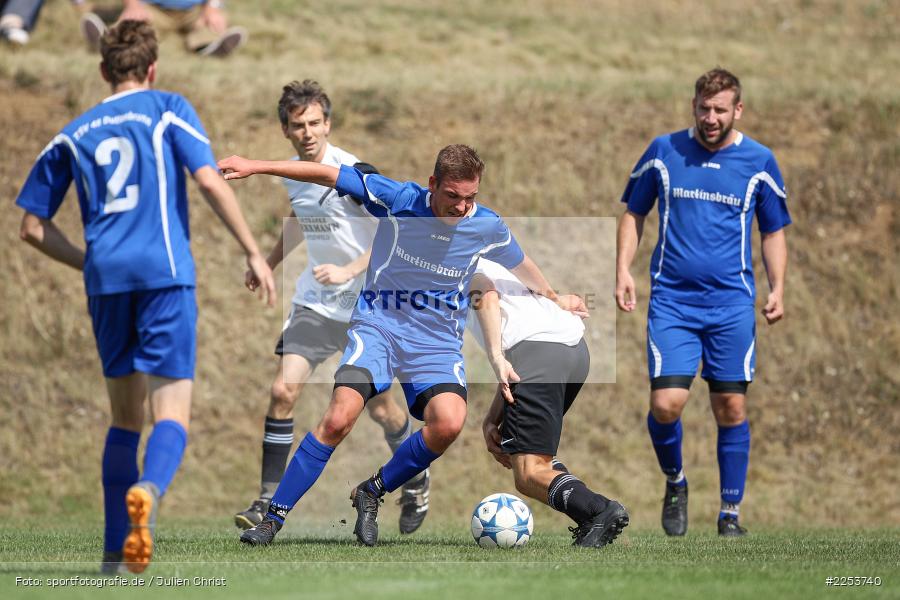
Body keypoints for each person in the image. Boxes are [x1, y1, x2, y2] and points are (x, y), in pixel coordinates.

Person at [218, 144, 587, 546]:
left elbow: (520, 262)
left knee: (448, 422)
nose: (463, 207)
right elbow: (329, 174)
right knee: (340, 417)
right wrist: (254, 166)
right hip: (379, 327)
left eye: (471, 198)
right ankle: (273, 519)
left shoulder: (486, 225)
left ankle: (371, 492)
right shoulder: (399, 199)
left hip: (436, 344)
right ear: (433, 185)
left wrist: (553, 297)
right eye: (453, 197)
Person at [14, 20, 275, 573]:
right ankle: (149, 493)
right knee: (170, 413)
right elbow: (207, 180)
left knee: (123, 419)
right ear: (152, 68)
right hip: (164, 273)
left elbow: (32, 228)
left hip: (107, 282)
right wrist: (253, 249)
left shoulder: (74, 133)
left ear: (104, 70)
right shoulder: (168, 107)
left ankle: (112, 556)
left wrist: (91, 262)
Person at [232, 80, 431, 535]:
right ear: (286, 129)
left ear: (329, 123)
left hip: (366, 308)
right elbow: (304, 221)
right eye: (298, 125)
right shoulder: (291, 173)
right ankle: (266, 499)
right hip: (315, 305)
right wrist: (268, 261)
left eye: (315, 123)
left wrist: (350, 269)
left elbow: (394, 231)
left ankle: (416, 476)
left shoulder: (354, 170)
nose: (307, 132)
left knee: (382, 411)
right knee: (284, 391)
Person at [616, 68, 790, 537]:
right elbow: (634, 212)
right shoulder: (664, 151)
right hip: (673, 302)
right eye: (703, 108)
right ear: (693, 106)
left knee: (730, 408)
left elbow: (772, 230)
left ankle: (730, 514)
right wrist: (623, 272)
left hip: (731, 305)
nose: (710, 117)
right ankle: (675, 482)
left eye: (720, 109)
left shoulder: (759, 161)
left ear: (738, 110)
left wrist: (777, 287)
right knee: (667, 404)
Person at [469, 258, 629, 548]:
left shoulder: (460, 261)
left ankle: (598, 510)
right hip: (574, 351)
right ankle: (588, 517)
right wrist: (493, 418)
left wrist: (494, 356)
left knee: (528, 472)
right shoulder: (495, 258)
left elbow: (485, 293)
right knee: (535, 457)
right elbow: (519, 360)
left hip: (539, 354)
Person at [77, 0, 246, 57]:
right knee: (134, 24)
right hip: (153, 9)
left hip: (195, 10)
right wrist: (133, 5)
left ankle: (210, 46)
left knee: (213, 23)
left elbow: (213, 8)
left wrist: (212, 8)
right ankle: (109, 42)